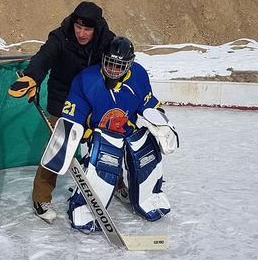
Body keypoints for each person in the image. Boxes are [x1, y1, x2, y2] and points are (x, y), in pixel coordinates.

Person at [41, 36, 179, 232]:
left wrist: (161, 122)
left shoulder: (138, 74)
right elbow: (74, 114)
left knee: (146, 153)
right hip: (102, 134)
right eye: (110, 64)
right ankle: (86, 208)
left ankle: (149, 197)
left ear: (130, 64)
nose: (113, 70)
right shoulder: (86, 79)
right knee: (106, 163)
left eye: (119, 65)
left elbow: (147, 103)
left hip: (129, 130)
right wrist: (70, 138)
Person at [8, 1, 116, 223]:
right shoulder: (61, 37)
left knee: (109, 142)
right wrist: (31, 77)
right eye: (79, 27)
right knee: (59, 148)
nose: (81, 33)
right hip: (64, 100)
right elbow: (43, 58)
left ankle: (118, 182)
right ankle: (40, 198)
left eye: (87, 29)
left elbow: (118, 62)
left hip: (94, 100)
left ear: (96, 28)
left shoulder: (107, 40)